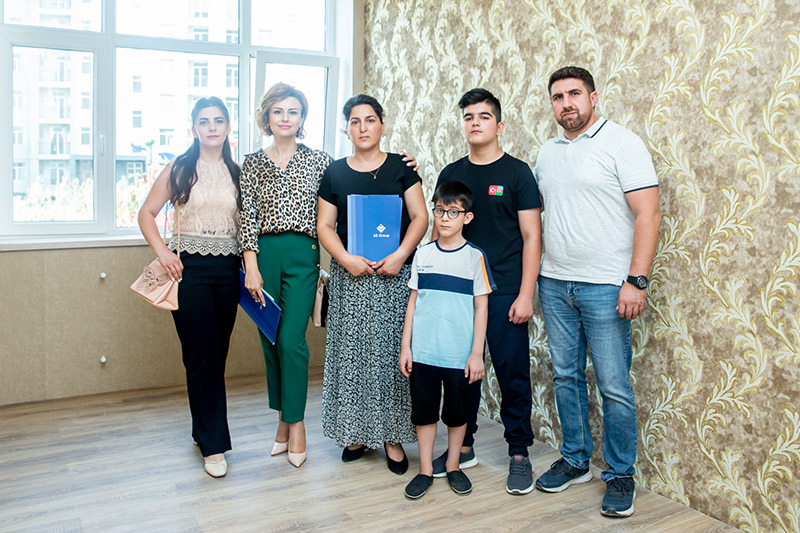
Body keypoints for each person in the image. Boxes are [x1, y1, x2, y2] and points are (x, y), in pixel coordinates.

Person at [532, 66, 661, 518]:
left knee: (613, 384)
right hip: (554, 283)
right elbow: (528, 209)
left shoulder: (622, 143)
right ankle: (575, 459)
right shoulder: (547, 153)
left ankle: (620, 473)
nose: (566, 103)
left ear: (593, 97)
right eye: (558, 97)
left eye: (574, 94)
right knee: (565, 376)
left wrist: (636, 280)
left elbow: (648, 214)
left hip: (607, 286)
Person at [434, 88, 542, 495]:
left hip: (505, 291)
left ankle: (519, 453)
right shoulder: (452, 173)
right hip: (461, 293)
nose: (475, 123)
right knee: (463, 374)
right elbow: (441, 229)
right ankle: (464, 447)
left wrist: (526, 295)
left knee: (513, 374)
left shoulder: (517, 173)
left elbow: (532, 237)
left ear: (499, 125)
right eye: (468, 117)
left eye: (483, 116)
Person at [317, 94, 428, 475]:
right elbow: (324, 226)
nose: (362, 128)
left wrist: (400, 255)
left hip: (394, 277)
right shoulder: (335, 172)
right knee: (352, 356)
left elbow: (420, 217)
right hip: (351, 278)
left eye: (369, 120)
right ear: (346, 128)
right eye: (354, 121)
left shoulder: (402, 168)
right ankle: (356, 433)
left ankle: (392, 436)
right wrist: (345, 259)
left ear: (382, 125)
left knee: (391, 357)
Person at [138, 96, 241, 478]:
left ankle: (202, 430)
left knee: (217, 354)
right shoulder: (179, 168)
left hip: (228, 270)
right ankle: (214, 446)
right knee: (202, 355)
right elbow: (146, 214)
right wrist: (164, 252)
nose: (212, 127)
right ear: (194, 128)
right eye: (204, 121)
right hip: (189, 271)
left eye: (218, 120)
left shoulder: (238, 172)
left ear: (228, 127)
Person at [239, 83, 333, 468]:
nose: (285, 118)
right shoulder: (251, 163)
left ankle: (296, 424)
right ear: (267, 117)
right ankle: (283, 420)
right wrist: (250, 266)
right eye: (278, 111)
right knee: (270, 339)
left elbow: (346, 195)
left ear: (302, 118)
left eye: (293, 111)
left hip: (303, 252)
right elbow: (246, 219)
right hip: (263, 255)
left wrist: (402, 167)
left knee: (292, 340)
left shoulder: (320, 161)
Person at [399, 181, 494, 500]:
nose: (444, 218)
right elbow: (413, 302)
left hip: (459, 357)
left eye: (453, 212)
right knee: (424, 413)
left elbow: (482, 307)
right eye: (440, 211)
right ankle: (426, 470)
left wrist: (476, 354)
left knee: (457, 414)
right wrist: (406, 347)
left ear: (467, 217)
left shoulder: (475, 258)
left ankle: (453, 465)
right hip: (424, 354)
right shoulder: (423, 254)